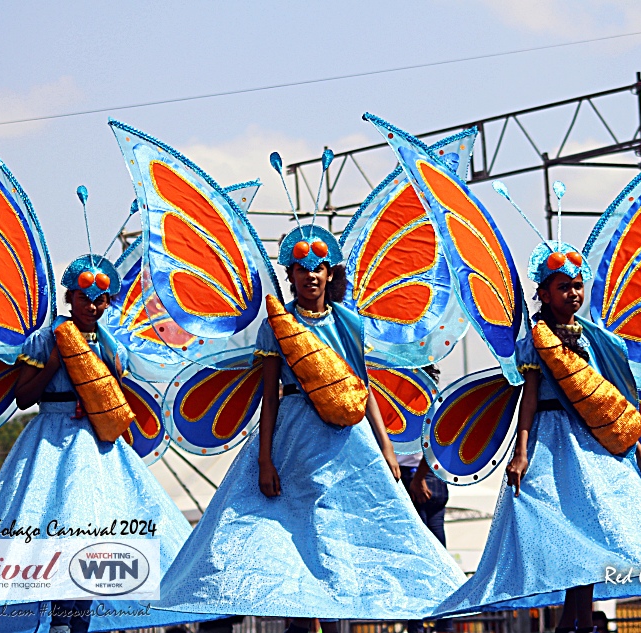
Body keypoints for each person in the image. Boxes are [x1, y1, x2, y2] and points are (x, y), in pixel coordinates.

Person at [153, 226, 465, 627]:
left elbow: (363, 387)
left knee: (338, 545)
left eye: (318, 267)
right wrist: (265, 460)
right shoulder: (276, 325)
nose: (310, 275)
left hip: (346, 445)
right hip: (294, 441)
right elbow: (270, 396)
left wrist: (387, 450)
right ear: (291, 275)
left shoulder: (350, 323)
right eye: (301, 268)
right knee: (293, 542)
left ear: (330, 274)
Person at [433, 242, 641, 632]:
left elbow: (609, 406)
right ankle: (576, 621)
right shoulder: (535, 340)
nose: (573, 293)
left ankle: (575, 621)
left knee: (594, 533)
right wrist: (521, 453)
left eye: (578, 285)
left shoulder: (594, 340)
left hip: (593, 445)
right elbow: (529, 398)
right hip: (551, 442)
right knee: (567, 534)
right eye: (564, 286)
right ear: (544, 294)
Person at [0, 256, 195, 633]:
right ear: (69, 297)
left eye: (101, 298)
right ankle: (59, 619)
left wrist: (95, 401)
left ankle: (77, 621)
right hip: (50, 445)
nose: (93, 305)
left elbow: (114, 396)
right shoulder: (43, 340)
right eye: (85, 297)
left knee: (98, 539)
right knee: (56, 535)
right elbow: (24, 397)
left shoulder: (110, 346)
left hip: (97, 449)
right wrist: (57, 359)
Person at [398, 365, 453, 633]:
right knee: (436, 552)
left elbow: (432, 443)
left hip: (417, 476)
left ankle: (420, 624)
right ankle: (443, 622)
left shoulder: (413, 401)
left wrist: (419, 476)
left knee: (417, 554)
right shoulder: (436, 400)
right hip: (433, 477)